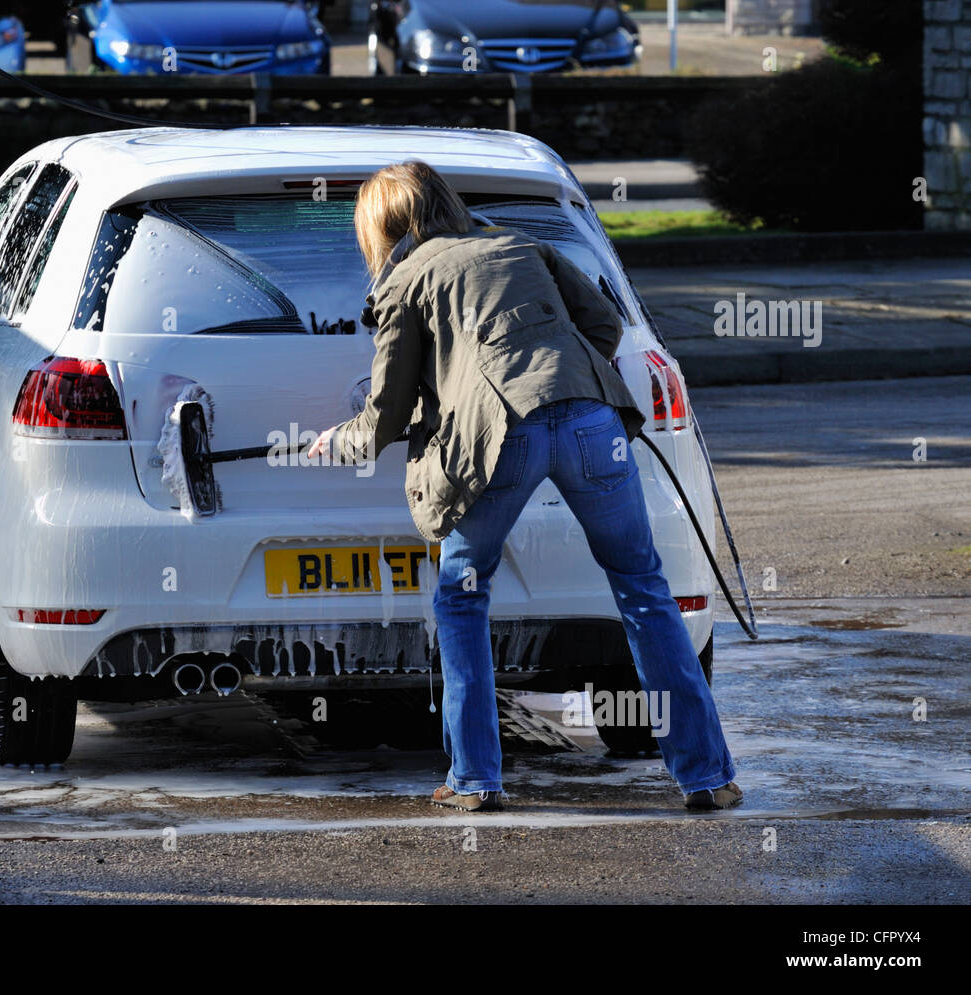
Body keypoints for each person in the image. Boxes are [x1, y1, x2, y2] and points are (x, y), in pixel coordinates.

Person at [308, 160, 741, 813]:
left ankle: (475, 779)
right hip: (594, 420)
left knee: (461, 597)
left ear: (382, 228)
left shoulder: (405, 281)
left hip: (499, 434)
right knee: (645, 590)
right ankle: (708, 776)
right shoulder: (518, 243)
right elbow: (604, 325)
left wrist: (332, 442)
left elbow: (385, 416)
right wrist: (561, 377)